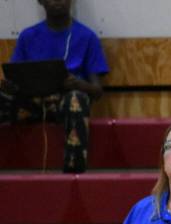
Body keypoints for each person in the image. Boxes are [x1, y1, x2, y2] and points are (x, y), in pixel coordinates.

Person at [0, 0, 108, 173]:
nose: (58, 1)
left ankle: (74, 172)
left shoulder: (87, 36)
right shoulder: (28, 36)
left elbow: (97, 91)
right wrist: (10, 87)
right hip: (31, 103)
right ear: (41, 1)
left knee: (76, 99)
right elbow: (16, 76)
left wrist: (78, 84)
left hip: (65, 104)